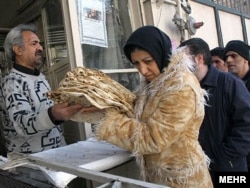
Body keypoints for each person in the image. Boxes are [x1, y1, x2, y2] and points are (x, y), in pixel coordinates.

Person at [81, 26, 212, 187]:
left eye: (148, 61)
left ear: (161, 53)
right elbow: (137, 108)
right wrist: (106, 104)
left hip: (184, 180)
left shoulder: (180, 86)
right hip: (162, 177)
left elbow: (153, 138)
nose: (142, 70)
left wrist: (109, 121)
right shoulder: (155, 82)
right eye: (136, 63)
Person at [0, 23, 82, 155]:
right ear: (18, 50)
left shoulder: (40, 77)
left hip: (55, 156)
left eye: (39, 43)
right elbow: (22, 124)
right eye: (34, 43)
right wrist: (53, 114)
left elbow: (50, 115)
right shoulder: (11, 82)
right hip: (31, 163)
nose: (40, 48)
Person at [179, 38, 250, 185]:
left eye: (183, 61)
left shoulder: (230, 83)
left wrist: (225, 156)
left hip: (229, 170)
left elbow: (246, 124)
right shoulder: (184, 89)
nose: (179, 66)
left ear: (199, 59)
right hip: (199, 169)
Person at [224, 40, 250, 171]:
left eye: (234, 56)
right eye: (226, 57)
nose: (228, 60)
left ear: (246, 59)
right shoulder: (227, 85)